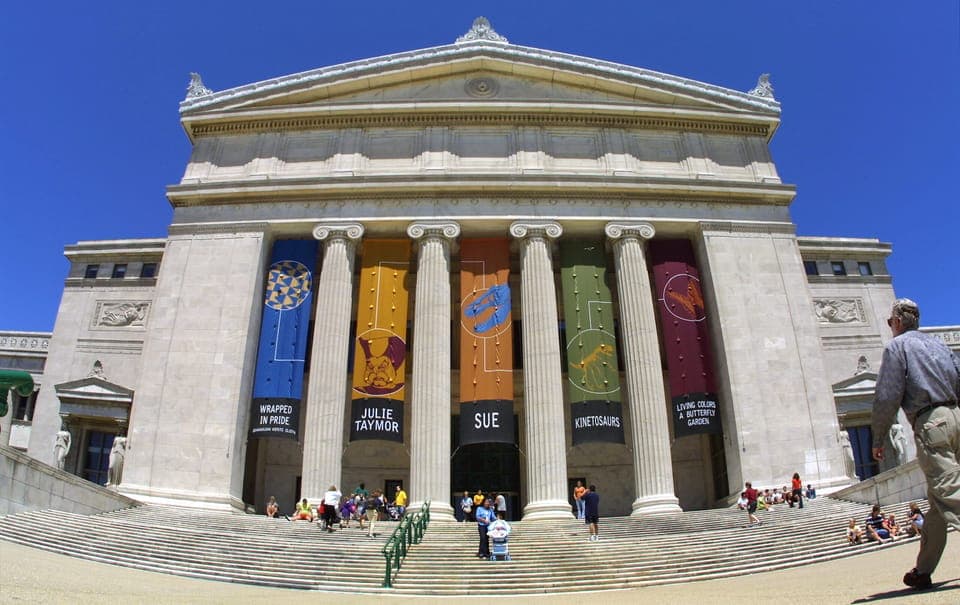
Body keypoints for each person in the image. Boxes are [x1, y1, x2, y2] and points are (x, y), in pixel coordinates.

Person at [871, 298, 960, 590]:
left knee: (949, 490)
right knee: (937, 504)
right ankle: (922, 572)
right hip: (957, 416)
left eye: (889, 322)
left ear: (896, 322)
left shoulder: (897, 347)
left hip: (931, 423)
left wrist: (878, 436)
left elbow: (887, 395)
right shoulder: (940, 346)